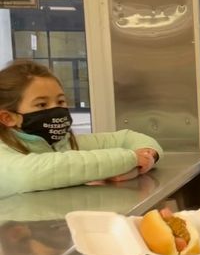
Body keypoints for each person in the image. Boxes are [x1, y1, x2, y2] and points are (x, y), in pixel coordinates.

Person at [0, 60, 163, 197]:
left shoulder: (63, 144)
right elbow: (33, 174)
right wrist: (129, 160)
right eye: (42, 104)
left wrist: (149, 155)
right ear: (8, 118)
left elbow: (128, 138)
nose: (55, 110)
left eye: (60, 102)